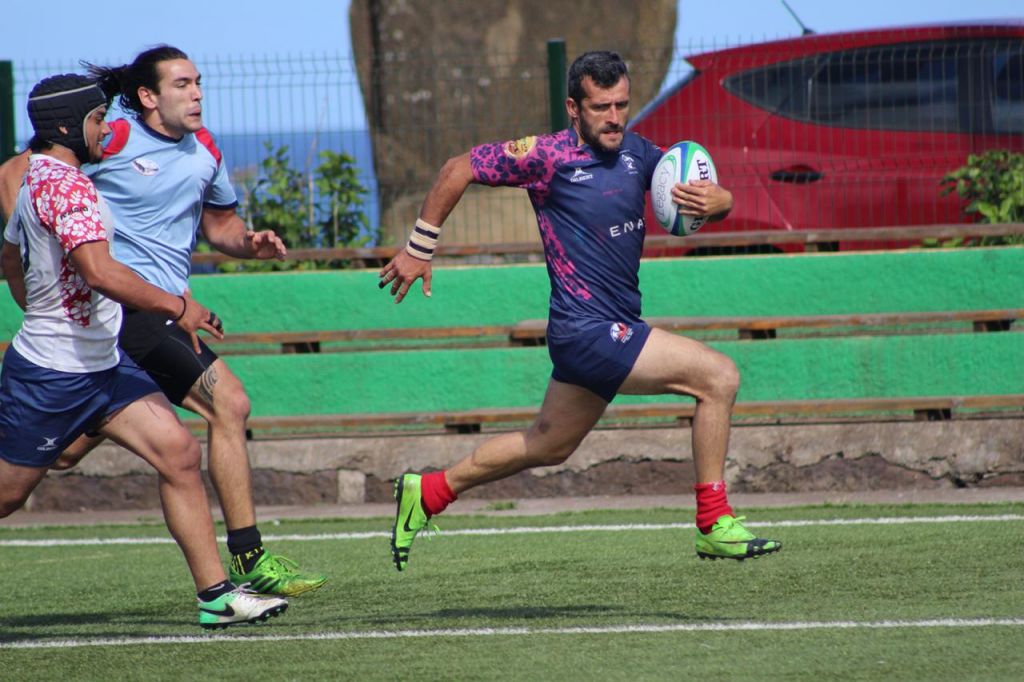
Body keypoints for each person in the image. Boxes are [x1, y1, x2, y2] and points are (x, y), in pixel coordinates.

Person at [379, 51, 782, 571]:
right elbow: (458, 169)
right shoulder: (546, 158)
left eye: (622, 105)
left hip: (610, 329)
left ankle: (430, 491)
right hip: (587, 331)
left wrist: (719, 201)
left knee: (548, 445)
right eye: (600, 107)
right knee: (718, 377)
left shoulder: (641, 155)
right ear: (574, 108)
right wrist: (419, 246)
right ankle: (713, 523)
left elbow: (706, 194)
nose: (614, 118)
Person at [0, 46, 326, 596]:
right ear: (148, 97)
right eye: (181, 84)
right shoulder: (111, 137)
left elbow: (221, 226)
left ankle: (224, 585)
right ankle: (247, 560)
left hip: (147, 317)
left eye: (198, 82)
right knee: (230, 402)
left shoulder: (205, 150)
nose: (196, 93)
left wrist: (250, 243)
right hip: (131, 309)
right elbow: (18, 171)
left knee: (64, 455)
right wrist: (35, 264)